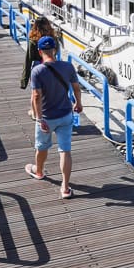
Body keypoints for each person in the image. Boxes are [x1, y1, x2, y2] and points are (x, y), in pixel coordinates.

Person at [25, 36, 83, 199]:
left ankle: (39, 171)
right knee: (65, 150)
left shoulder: (37, 71)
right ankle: (65, 187)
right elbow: (76, 88)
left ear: (39, 51)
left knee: (42, 146)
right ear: (55, 50)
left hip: (47, 118)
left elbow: (36, 96)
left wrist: (39, 118)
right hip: (65, 114)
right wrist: (78, 103)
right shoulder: (68, 67)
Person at [20, 16, 58, 96]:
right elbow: (56, 52)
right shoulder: (53, 38)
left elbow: (28, 60)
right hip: (52, 66)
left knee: (37, 93)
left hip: (38, 67)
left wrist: (24, 81)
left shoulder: (33, 40)